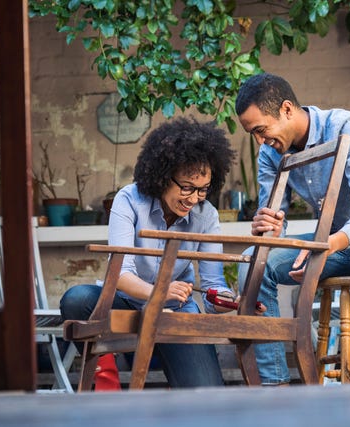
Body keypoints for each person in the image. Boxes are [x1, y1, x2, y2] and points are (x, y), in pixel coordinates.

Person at [234, 73, 350, 384]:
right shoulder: (271, 153)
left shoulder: (347, 127)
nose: (259, 141)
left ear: (286, 109)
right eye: (252, 134)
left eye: (261, 130)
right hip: (333, 244)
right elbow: (273, 228)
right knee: (254, 264)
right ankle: (274, 385)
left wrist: (324, 248)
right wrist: (267, 229)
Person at [60, 117, 240, 388]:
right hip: (125, 304)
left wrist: (233, 301)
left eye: (202, 190)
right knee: (76, 299)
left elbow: (213, 287)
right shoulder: (129, 199)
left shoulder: (207, 216)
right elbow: (120, 274)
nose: (193, 199)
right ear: (162, 175)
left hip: (174, 313)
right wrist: (158, 293)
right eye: (187, 187)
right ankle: (110, 363)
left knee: (207, 393)